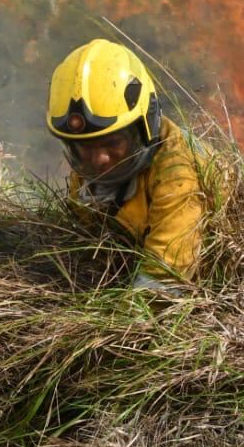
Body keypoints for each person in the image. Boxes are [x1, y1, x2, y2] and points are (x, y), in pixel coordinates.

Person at [47, 39, 221, 291]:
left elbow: (162, 281)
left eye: (112, 143)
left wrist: (98, 326)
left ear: (145, 126)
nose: (99, 160)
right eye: (84, 146)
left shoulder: (179, 173)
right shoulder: (89, 172)